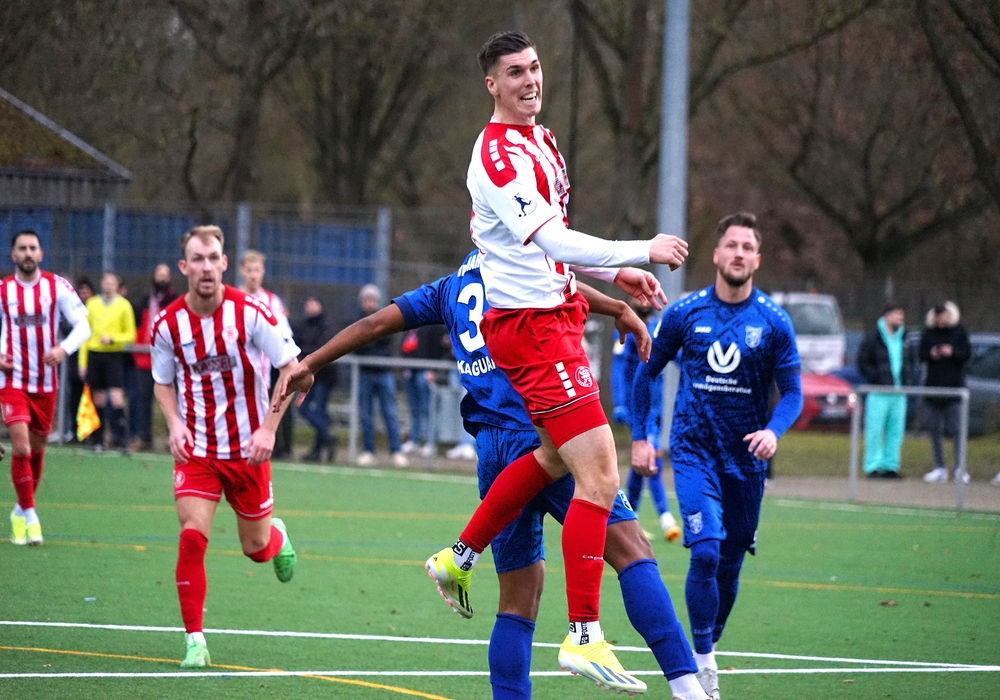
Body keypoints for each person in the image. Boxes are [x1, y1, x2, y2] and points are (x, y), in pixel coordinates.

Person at [272, 250, 709, 700]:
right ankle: (687, 687)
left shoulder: (448, 288)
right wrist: (619, 301)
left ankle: (465, 563)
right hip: (547, 428)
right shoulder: (523, 258)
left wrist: (313, 362)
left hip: (493, 450)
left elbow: (374, 323)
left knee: (518, 599)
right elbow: (559, 272)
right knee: (633, 551)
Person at [410, 31, 689, 694]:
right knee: (601, 476)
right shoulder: (498, 155)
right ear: (492, 84)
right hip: (534, 332)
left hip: (554, 318)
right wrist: (641, 249)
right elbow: (553, 239)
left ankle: (459, 555)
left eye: (534, 68)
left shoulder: (542, 140)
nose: (530, 80)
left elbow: (550, 248)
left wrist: (615, 275)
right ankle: (584, 634)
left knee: (555, 458)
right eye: (514, 72)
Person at [631, 212, 803, 699]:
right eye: (731, 245)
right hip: (693, 453)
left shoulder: (774, 321)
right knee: (704, 551)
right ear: (716, 254)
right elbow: (645, 374)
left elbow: (792, 393)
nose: (739, 253)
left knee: (729, 565)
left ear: (757, 259)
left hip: (746, 462)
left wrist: (773, 431)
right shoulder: (685, 313)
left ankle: (709, 641)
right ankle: (703, 663)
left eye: (747, 247)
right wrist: (642, 437)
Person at [151, 225, 299, 668]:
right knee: (191, 536)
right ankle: (195, 640)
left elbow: (292, 369)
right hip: (197, 450)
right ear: (184, 267)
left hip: (249, 451)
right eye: (197, 259)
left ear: (224, 263)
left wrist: (268, 430)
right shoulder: (168, 324)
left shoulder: (251, 313)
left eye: (213, 258)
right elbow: (162, 382)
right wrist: (174, 424)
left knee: (255, 548)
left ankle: (276, 537)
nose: (206, 267)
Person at [2, 230, 91, 546]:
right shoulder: (3, 290)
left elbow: (84, 326)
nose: (28, 253)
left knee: (37, 452)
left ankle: (19, 511)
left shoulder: (57, 287)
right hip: (12, 381)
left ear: (41, 254)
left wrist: (63, 349)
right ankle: (32, 517)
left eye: (33, 248)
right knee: (22, 448)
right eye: (22, 248)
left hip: (45, 382)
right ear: (13, 255)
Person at [610, 303, 681, 542]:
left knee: (641, 464)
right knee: (652, 458)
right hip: (637, 406)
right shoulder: (625, 330)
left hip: (656, 407)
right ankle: (666, 518)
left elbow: (675, 355)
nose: (644, 301)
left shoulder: (658, 328)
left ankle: (629, 520)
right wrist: (620, 403)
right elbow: (618, 368)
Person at [238, 250, 294, 459]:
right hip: (237, 375)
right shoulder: (232, 299)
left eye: (257, 270)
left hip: (264, 375)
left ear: (262, 272)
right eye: (249, 270)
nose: (253, 275)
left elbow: (285, 336)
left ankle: (278, 450)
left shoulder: (273, 302)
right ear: (242, 271)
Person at [79, 272, 136, 454]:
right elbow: (84, 333)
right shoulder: (92, 303)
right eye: (106, 282)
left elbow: (131, 334)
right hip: (94, 354)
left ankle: (123, 441)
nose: (108, 285)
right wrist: (82, 362)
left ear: (117, 286)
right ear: (102, 284)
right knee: (98, 398)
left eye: (112, 282)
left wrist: (112, 338)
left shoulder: (124, 305)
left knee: (117, 397)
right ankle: (98, 440)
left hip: (113, 356)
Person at [354, 284, 407, 468]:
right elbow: (357, 345)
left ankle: (396, 451)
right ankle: (369, 450)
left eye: (372, 300)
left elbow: (385, 342)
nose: (369, 303)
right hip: (365, 373)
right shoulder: (357, 321)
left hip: (384, 373)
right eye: (366, 300)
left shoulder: (385, 318)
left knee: (390, 413)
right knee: (366, 414)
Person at [857, 302, 912, 479]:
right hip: (878, 392)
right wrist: (875, 378)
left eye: (901, 315)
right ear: (887, 316)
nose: (900, 318)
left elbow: (910, 361)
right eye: (897, 315)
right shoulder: (873, 338)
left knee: (895, 431)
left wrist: (906, 379)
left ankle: (890, 466)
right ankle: (873, 466)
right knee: (874, 430)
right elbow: (862, 362)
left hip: (899, 393)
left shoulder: (905, 338)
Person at [919, 302, 971, 484]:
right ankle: (940, 467)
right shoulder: (928, 333)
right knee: (935, 430)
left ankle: (960, 468)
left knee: (957, 429)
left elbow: (967, 354)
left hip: (954, 390)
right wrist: (931, 353)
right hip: (933, 389)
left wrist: (952, 352)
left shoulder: (959, 332)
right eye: (938, 316)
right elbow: (921, 355)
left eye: (944, 315)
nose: (941, 319)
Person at [129, 263, 177, 451]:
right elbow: (139, 328)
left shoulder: (174, 300)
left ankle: (175, 437)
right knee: (143, 399)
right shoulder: (145, 300)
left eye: (165, 274)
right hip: (145, 359)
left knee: (173, 400)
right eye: (159, 274)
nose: (162, 278)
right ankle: (143, 437)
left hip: (168, 359)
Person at [292, 296, 337, 462]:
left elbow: (323, 348)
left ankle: (318, 449)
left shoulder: (327, 324)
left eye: (314, 303)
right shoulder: (302, 325)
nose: (311, 307)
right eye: (308, 304)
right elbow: (295, 344)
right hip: (309, 375)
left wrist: (307, 354)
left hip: (324, 375)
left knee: (319, 411)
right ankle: (326, 436)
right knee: (303, 408)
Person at [400, 323, 446, 459]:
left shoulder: (432, 325)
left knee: (428, 409)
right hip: (410, 372)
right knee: (414, 409)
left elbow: (438, 347)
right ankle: (414, 440)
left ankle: (429, 442)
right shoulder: (409, 326)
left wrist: (434, 370)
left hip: (425, 371)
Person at [62, 277, 94, 443]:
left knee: (91, 396)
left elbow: (88, 331)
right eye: (81, 291)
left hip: (93, 358)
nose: (84, 294)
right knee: (74, 396)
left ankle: (89, 433)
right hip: (73, 359)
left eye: (87, 291)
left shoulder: (94, 307)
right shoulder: (70, 308)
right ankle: (74, 431)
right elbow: (65, 327)